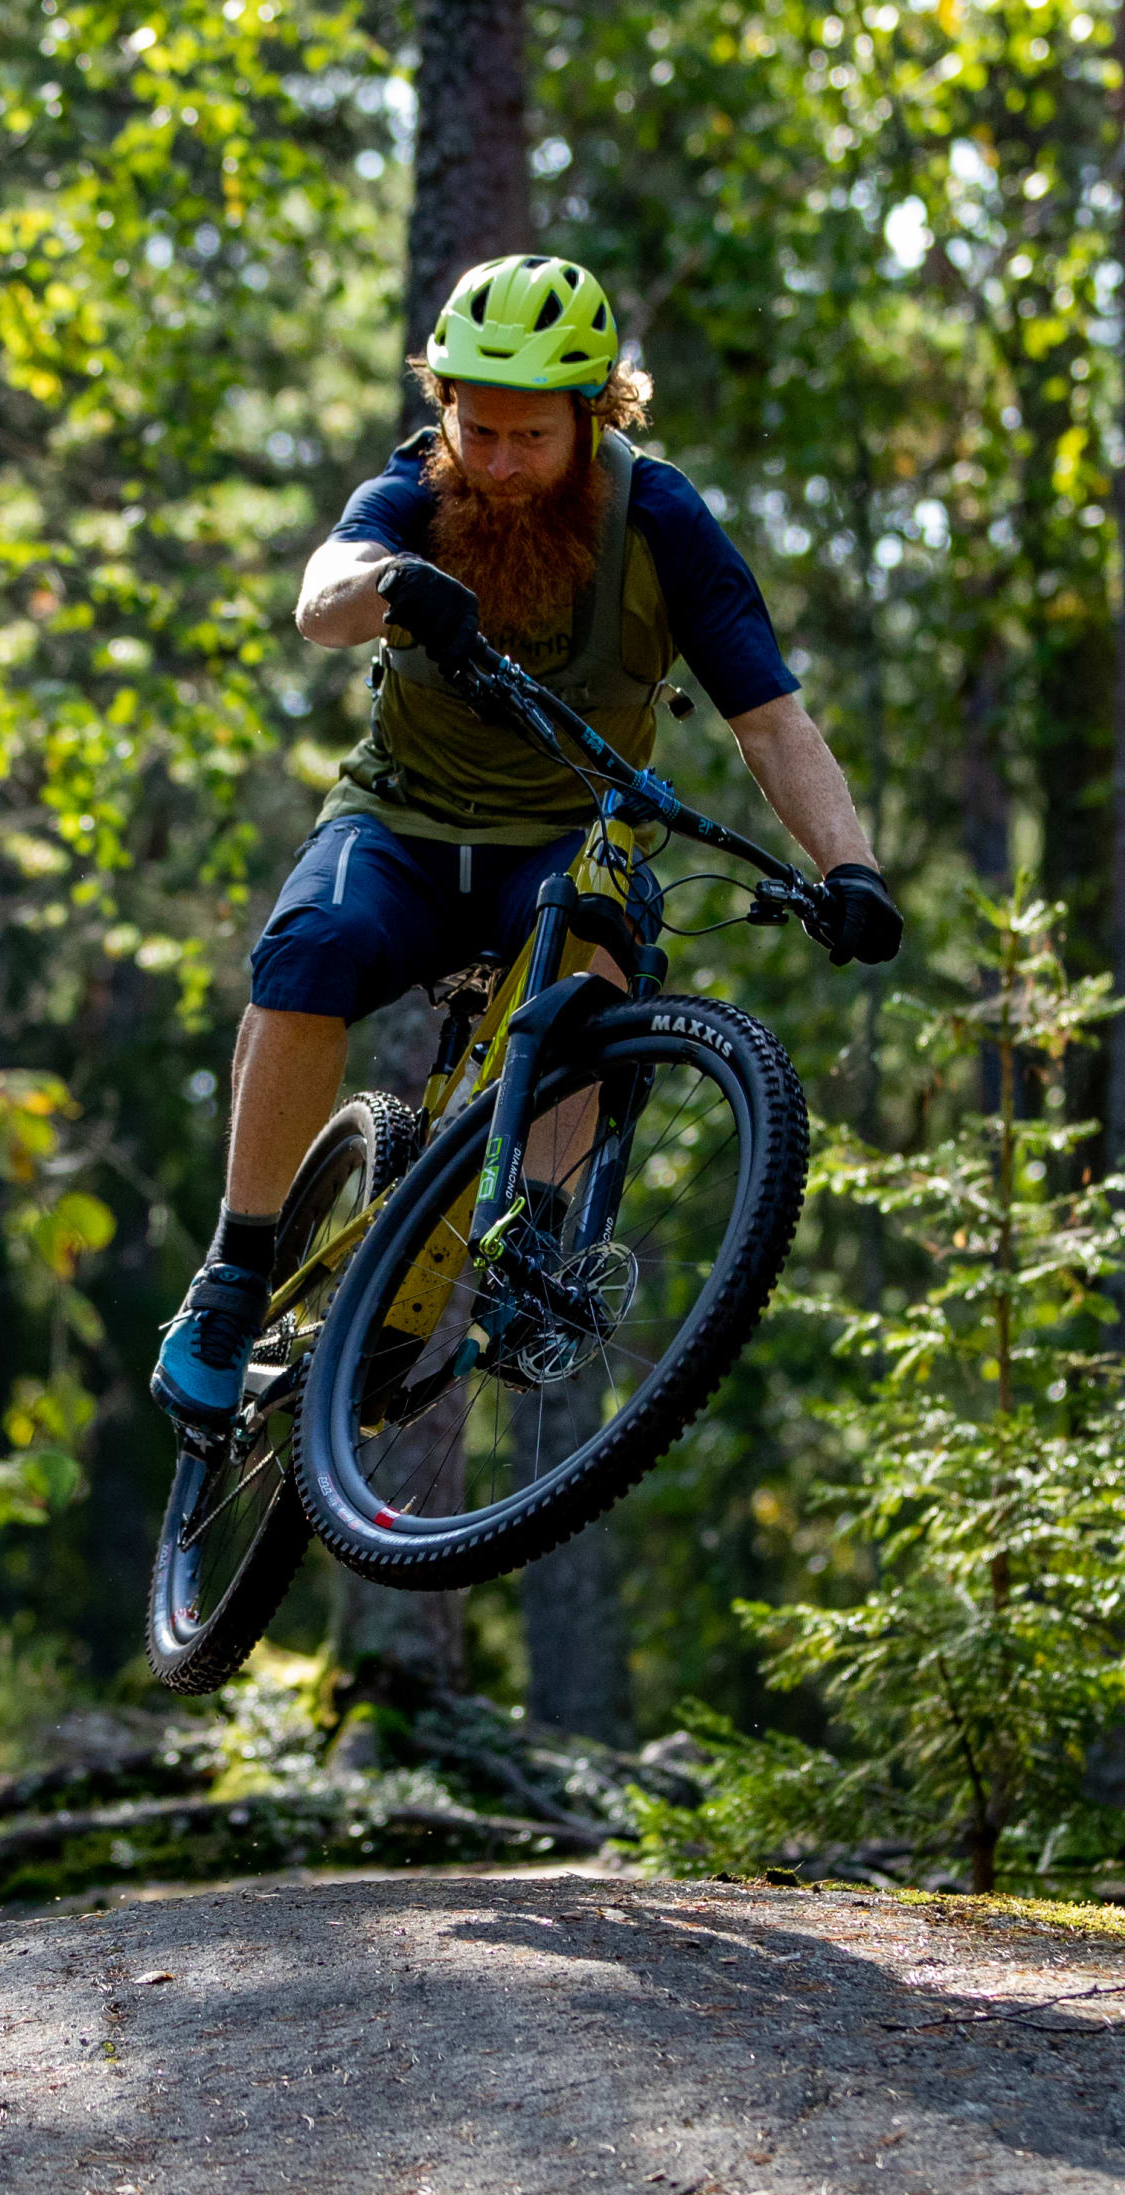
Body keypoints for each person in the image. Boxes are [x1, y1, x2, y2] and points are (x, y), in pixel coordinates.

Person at [148, 254, 899, 1437]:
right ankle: (234, 1279)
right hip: (398, 825)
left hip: (554, 839)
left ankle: (530, 1254)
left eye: (529, 438)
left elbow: (768, 717)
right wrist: (393, 580)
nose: (496, 464)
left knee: (598, 940)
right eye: (477, 429)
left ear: (592, 415)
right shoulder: (417, 487)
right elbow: (322, 597)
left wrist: (847, 867)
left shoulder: (659, 520)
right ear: (445, 405)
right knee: (308, 949)